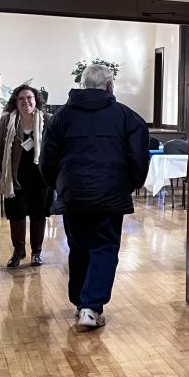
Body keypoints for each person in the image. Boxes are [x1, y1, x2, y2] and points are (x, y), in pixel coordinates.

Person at [40, 64, 150, 331]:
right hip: (110, 194)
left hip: (73, 194)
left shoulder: (61, 117)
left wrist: (59, 184)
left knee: (78, 247)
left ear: (83, 85)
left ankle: (80, 302)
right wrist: (131, 184)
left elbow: (46, 160)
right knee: (104, 248)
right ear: (110, 86)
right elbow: (138, 158)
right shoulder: (128, 117)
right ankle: (91, 307)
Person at [0, 84, 52, 267]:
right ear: (15, 102)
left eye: (29, 98)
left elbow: (56, 149)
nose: (26, 102)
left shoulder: (48, 120)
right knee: (16, 215)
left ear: (36, 100)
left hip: (40, 178)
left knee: (38, 215)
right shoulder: (6, 121)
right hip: (14, 179)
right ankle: (19, 251)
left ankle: (37, 253)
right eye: (21, 98)